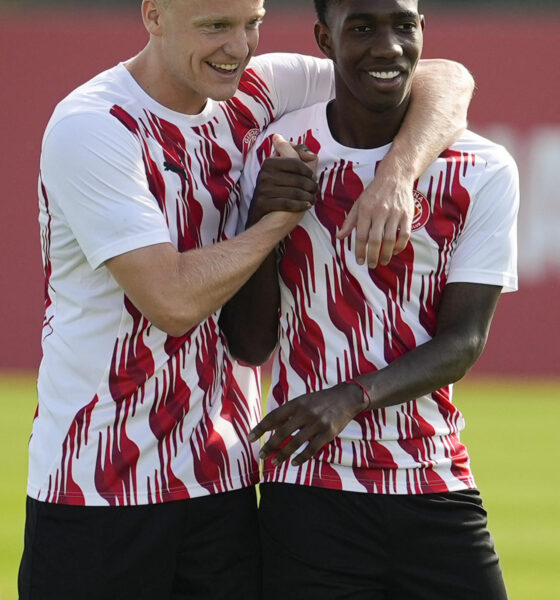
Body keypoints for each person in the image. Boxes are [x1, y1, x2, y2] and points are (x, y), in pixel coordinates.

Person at [19, 0, 476, 598]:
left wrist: (398, 173)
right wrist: (273, 223)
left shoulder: (252, 89)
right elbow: (172, 301)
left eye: (252, 23)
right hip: (98, 486)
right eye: (215, 26)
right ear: (153, 16)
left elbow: (445, 76)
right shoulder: (96, 124)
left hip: (224, 484)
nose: (239, 46)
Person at [228, 0, 519, 598]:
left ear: (422, 33)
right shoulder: (278, 151)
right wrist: (264, 220)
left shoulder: (482, 168)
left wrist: (349, 399)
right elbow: (251, 342)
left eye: (402, 25)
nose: (386, 46)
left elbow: (462, 344)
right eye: (361, 28)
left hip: (433, 482)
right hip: (307, 490)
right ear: (323, 38)